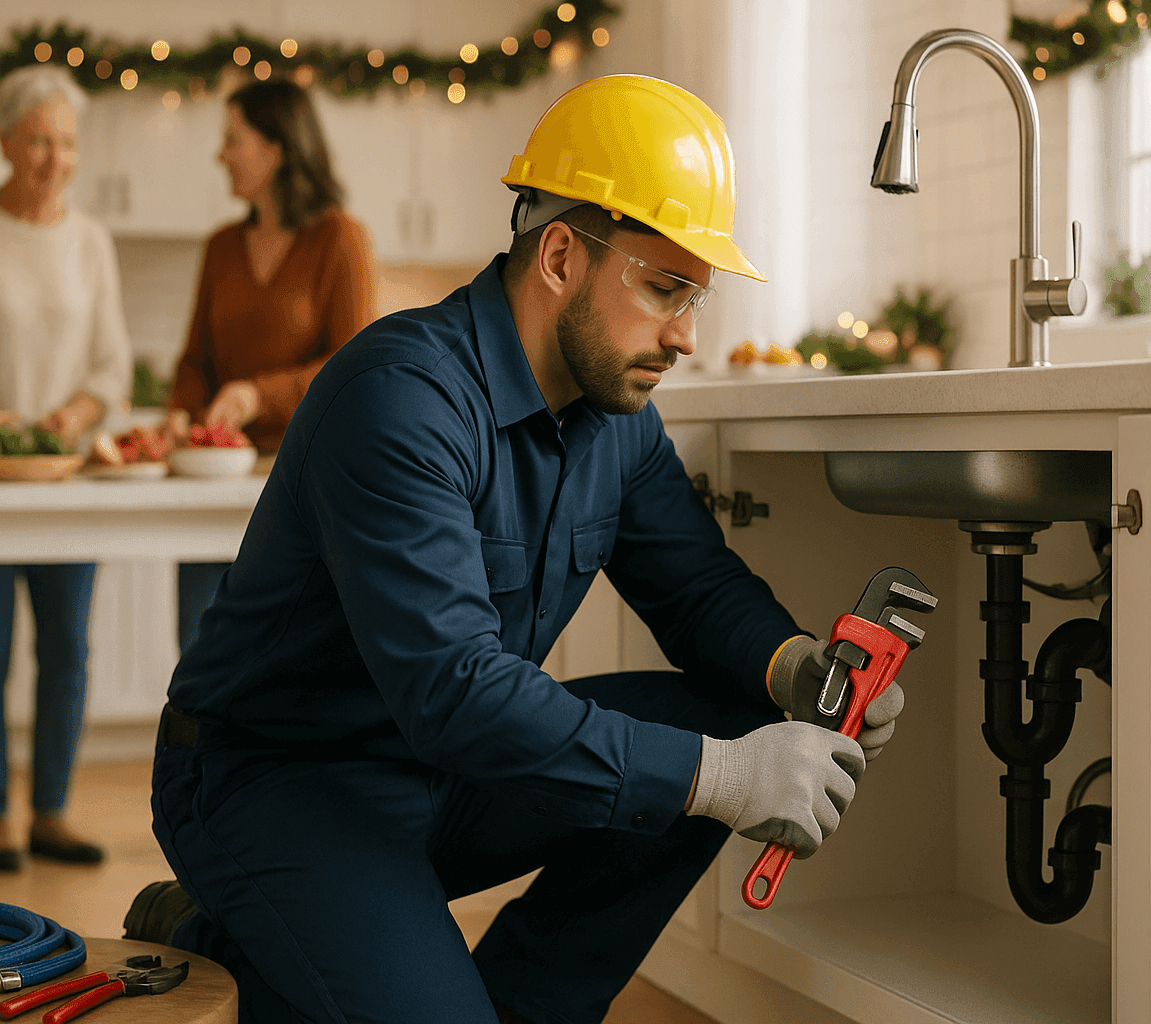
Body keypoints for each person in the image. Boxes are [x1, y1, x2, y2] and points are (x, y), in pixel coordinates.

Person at [127, 75, 907, 1023]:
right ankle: (217, 934)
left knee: (731, 705)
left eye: (696, 296)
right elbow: (456, 692)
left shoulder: (615, 412)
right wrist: (722, 778)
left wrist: (799, 672)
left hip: (442, 772)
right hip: (279, 778)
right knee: (703, 759)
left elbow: (697, 587)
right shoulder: (399, 398)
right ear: (562, 257)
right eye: (664, 287)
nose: (687, 336)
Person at [0, 63, 132, 872]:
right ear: (6, 141)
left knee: (67, 651)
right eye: (40, 139)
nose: (55, 158)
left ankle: (49, 809)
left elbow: (112, 367)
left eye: (68, 142)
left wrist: (76, 415)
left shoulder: (91, 243)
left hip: (64, 484)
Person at [164, 78, 374, 654]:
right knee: (200, 653)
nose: (220, 155)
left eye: (233, 139)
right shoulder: (221, 247)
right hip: (212, 481)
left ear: (276, 149)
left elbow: (355, 362)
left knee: (287, 664)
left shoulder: (340, 239)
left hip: (303, 482)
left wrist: (260, 394)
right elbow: (193, 362)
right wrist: (181, 415)